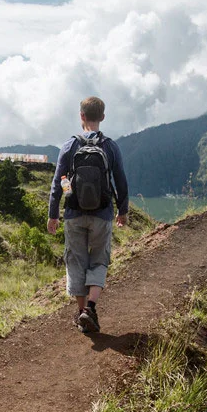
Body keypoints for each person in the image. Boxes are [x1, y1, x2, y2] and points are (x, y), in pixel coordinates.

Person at [47, 96, 129, 334]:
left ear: (81, 115)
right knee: (99, 260)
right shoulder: (111, 146)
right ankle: (90, 308)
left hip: (73, 213)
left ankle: (82, 311)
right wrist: (122, 211)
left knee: (76, 260)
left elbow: (58, 182)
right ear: (102, 117)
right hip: (102, 214)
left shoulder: (69, 146)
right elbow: (120, 181)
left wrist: (53, 214)